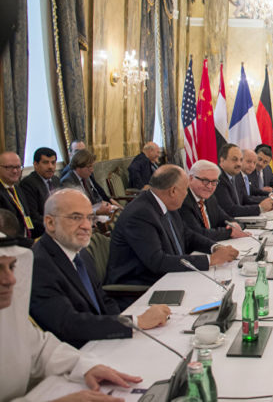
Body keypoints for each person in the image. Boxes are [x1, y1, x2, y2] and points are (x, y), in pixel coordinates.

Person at [0, 236, 142, 402]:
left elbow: (42, 350)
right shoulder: (43, 263)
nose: (11, 280)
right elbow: (68, 323)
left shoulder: (7, 316)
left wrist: (85, 366)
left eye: (11, 267)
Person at [30, 189, 171, 348]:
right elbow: (68, 324)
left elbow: (103, 300)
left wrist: (124, 330)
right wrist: (137, 322)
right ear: (50, 223)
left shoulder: (81, 253)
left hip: (104, 341)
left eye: (90, 218)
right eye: (76, 218)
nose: (86, 226)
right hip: (77, 352)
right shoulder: (38, 264)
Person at [105, 165, 239, 289]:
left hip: (172, 276)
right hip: (143, 287)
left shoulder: (166, 204)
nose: (187, 194)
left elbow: (188, 235)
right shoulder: (140, 214)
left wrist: (215, 247)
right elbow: (158, 261)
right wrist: (211, 260)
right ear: (173, 191)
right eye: (185, 189)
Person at [180, 160, 249, 242]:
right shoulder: (183, 200)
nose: (209, 186)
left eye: (214, 182)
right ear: (191, 178)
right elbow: (199, 234)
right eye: (205, 181)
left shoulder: (210, 198)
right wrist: (230, 232)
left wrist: (236, 226)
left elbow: (227, 219)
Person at [213, 144, 273, 217]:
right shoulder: (217, 179)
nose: (239, 164)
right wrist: (259, 208)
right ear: (222, 160)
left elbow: (246, 200)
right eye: (234, 159)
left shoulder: (236, 176)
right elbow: (231, 210)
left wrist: (267, 203)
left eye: (241, 160)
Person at [61, 150, 120, 216]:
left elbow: (94, 197)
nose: (92, 170)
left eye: (92, 166)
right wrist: (96, 212)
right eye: (89, 167)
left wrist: (104, 204)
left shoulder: (86, 177)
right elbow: (76, 209)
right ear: (79, 167)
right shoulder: (67, 182)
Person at [0, 152, 43, 239]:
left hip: (28, 237)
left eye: (18, 167)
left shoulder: (17, 189)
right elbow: (5, 231)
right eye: (9, 167)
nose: (15, 171)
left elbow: (27, 219)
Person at [20, 147, 62, 220]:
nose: (50, 167)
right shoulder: (28, 184)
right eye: (45, 162)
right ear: (35, 164)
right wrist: (56, 223)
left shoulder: (56, 180)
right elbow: (34, 216)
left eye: (53, 163)